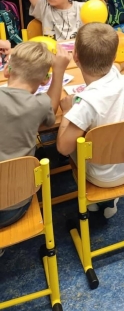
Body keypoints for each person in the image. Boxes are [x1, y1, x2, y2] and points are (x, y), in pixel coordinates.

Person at [57, 23, 124, 219]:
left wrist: (67, 111)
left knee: (75, 141)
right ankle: (108, 201)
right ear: (114, 56)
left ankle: (100, 198)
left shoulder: (85, 104)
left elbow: (63, 148)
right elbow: (118, 66)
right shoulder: (118, 76)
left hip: (104, 177)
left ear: (75, 57)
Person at [0, 41, 71, 233]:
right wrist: (58, 72)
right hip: (14, 206)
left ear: (6, 71)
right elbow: (52, 108)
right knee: (43, 153)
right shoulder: (39, 105)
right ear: (45, 80)